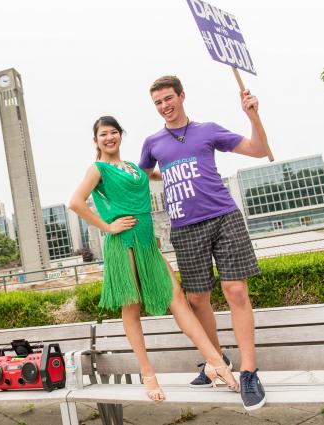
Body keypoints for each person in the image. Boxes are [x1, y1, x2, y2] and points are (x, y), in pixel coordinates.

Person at [68, 116, 239, 402]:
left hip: (148, 243)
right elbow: (75, 202)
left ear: (121, 135)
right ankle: (148, 374)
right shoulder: (97, 169)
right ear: (96, 140)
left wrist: (191, 165)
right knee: (132, 308)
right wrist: (108, 226)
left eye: (113, 132)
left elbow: (167, 174)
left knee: (177, 298)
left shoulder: (135, 169)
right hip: (123, 243)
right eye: (103, 134)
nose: (109, 138)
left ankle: (217, 364)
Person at [139, 75, 268, 410]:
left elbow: (258, 150)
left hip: (224, 216)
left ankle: (250, 373)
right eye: (158, 102)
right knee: (196, 298)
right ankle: (217, 362)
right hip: (185, 227)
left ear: (182, 96)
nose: (164, 106)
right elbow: (138, 180)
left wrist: (253, 114)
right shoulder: (153, 143)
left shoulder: (208, 130)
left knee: (236, 290)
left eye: (168, 98)